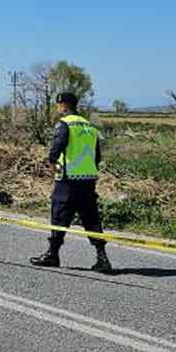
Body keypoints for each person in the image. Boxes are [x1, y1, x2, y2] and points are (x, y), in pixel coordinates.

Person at [29, 91, 113, 273]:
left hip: (67, 180)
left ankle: (53, 254)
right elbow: (97, 156)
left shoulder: (64, 124)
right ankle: (102, 257)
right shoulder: (90, 126)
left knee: (59, 216)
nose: (57, 107)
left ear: (64, 105)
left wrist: (52, 166)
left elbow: (56, 150)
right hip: (88, 180)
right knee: (91, 218)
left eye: (58, 104)